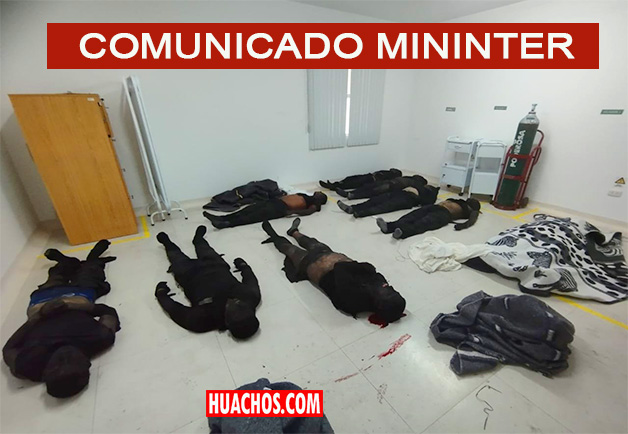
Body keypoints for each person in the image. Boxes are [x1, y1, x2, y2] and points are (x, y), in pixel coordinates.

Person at [2, 240, 120, 399]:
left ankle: (66, 262)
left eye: (58, 364)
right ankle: (92, 258)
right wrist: (72, 306)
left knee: (55, 277)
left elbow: (8, 349)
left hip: (42, 303)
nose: (65, 355)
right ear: (87, 364)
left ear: (45, 373)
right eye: (72, 361)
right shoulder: (100, 338)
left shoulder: (27, 367)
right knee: (90, 273)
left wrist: (39, 316)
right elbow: (108, 312)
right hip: (78, 298)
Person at [261, 218, 405, 323]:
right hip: (327, 254)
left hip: (310, 264)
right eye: (394, 290)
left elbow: (342, 268)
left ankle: (274, 236)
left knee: (289, 249)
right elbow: (369, 268)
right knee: (311, 242)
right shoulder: (379, 286)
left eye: (389, 292)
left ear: (378, 304)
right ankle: (294, 232)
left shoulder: (353, 303)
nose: (389, 286)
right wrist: (363, 268)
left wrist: (361, 268)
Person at [155, 226, 261, 339]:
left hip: (189, 274)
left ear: (227, 322)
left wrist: (161, 293)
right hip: (216, 266)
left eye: (235, 308)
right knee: (205, 248)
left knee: (176, 257)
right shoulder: (251, 298)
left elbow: (174, 310)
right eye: (241, 305)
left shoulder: (203, 321)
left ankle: (167, 243)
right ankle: (198, 239)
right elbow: (251, 280)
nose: (237, 302)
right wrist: (244, 266)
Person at [203, 192, 328, 229]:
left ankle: (226, 224)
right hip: (274, 202)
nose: (318, 191)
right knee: (248, 209)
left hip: (281, 208)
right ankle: (221, 218)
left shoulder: (315, 203)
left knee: (253, 216)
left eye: (320, 193)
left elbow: (309, 211)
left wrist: (291, 213)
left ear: (321, 199)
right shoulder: (305, 195)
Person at [376, 198, 481, 239]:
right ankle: (389, 227)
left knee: (423, 223)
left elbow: (472, 220)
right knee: (411, 216)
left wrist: (462, 226)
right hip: (434, 207)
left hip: (445, 214)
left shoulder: (472, 211)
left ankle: (402, 232)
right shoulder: (458, 200)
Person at [337, 185, 440, 218]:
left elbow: (427, 203)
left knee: (385, 206)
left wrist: (417, 198)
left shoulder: (431, 194)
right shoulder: (420, 186)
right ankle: (353, 208)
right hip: (400, 192)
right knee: (375, 200)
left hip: (409, 199)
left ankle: (360, 213)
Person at [336, 175, 427, 199]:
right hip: (390, 183)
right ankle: (350, 194)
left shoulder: (415, 183)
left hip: (392, 185)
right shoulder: (410, 180)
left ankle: (352, 195)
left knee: (371, 190)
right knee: (370, 189)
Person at [319, 168, 402, 192]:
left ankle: (334, 187)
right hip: (369, 175)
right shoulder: (387, 172)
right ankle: (334, 184)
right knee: (350, 178)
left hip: (371, 180)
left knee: (352, 183)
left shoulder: (391, 176)